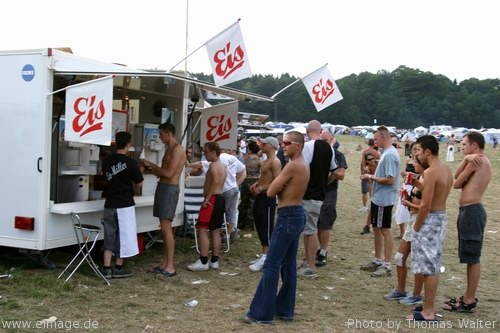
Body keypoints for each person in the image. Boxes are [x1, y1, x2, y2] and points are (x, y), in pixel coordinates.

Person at [240, 131, 309, 324]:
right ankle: (285, 310)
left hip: (288, 216)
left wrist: (271, 187)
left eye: (288, 143)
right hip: (296, 213)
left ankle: (261, 314)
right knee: (288, 265)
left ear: (299, 145)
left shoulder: (292, 166)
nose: (284, 145)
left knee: (271, 264)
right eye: (283, 142)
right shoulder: (302, 165)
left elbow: (270, 191)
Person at [443, 131, 491, 313]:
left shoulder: (477, 161)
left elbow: (456, 184)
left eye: (464, 144)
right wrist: (465, 159)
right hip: (469, 211)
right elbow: (458, 176)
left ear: (475, 145)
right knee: (470, 257)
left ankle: (469, 299)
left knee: (473, 258)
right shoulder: (474, 160)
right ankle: (468, 297)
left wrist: (468, 161)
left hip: (472, 212)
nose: (462, 147)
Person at [406, 135, 453, 321]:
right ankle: (427, 307)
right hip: (440, 218)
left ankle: (429, 311)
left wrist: (416, 227)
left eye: (419, 151)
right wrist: (418, 184)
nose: (418, 156)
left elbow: (425, 205)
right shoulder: (445, 170)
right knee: (430, 266)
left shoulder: (431, 172)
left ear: (428, 151)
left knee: (429, 268)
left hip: (430, 220)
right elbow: (436, 193)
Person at [143, 123, 186, 277]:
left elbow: (168, 173)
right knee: (163, 227)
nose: (159, 137)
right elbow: (163, 174)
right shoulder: (169, 150)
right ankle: (165, 262)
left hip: (169, 189)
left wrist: (152, 165)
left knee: (167, 228)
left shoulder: (177, 149)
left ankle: (170, 266)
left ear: (169, 133)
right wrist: (151, 169)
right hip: (163, 187)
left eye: (161, 134)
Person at [99, 131, 144, 279]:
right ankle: (118, 268)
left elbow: (105, 178)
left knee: (109, 234)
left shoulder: (107, 161)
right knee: (124, 235)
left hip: (110, 202)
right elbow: (139, 183)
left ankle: (106, 268)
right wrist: (135, 192)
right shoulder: (131, 163)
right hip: (125, 203)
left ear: (115, 142)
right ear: (128, 144)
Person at [383, 155, 426, 306]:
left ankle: (416, 294)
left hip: (420, 222)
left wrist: (409, 203)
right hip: (412, 221)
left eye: (415, 162)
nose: (413, 164)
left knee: (418, 261)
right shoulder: (420, 177)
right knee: (399, 257)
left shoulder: (428, 178)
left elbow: (429, 206)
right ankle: (400, 290)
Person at [360, 126, 400, 277]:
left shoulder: (390, 155)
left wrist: (370, 177)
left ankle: (387, 265)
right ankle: (377, 260)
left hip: (384, 199)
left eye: (376, 139)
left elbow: (390, 180)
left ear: (384, 137)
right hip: (378, 197)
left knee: (385, 230)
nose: (374, 142)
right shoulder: (385, 153)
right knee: (377, 228)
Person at [298, 120, 336, 278]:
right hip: (320, 194)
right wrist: (324, 184)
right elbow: (335, 171)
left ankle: (311, 266)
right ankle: (308, 261)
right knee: (309, 230)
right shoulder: (329, 148)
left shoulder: (307, 147)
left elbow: (302, 170)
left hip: (308, 194)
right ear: (320, 131)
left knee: (310, 231)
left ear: (307, 131)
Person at [187, 142, 227, 271]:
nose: (204, 155)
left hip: (212, 199)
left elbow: (215, 181)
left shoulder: (214, 166)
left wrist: (207, 199)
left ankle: (203, 261)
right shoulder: (222, 166)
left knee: (202, 228)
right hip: (219, 198)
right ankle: (214, 261)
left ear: (213, 152)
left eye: (206, 152)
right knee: (215, 230)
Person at [248, 137, 282, 272]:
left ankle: (267, 256)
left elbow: (278, 182)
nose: (261, 144)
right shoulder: (265, 161)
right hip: (261, 197)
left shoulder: (275, 162)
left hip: (268, 198)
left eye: (264, 143)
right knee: (260, 225)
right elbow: (265, 178)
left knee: (267, 227)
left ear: (272, 146)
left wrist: (261, 188)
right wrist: (257, 184)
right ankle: (264, 253)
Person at [316, 131, 347, 267]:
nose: (323, 142)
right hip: (315, 191)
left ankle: (323, 251)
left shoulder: (337, 155)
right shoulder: (314, 152)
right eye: (321, 140)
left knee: (326, 220)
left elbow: (341, 175)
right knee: (316, 221)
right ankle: (319, 248)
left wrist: (332, 173)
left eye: (326, 140)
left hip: (329, 191)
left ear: (332, 140)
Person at [220, 149, 246, 240]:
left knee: (220, 212)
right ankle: (228, 234)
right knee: (232, 211)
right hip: (233, 187)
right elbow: (243, 169)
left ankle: (218, 233)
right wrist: (236, 182)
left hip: (225, 189)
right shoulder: (232, 158)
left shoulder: (216, 159)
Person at [237, 141, 261, 230]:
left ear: (249, 149)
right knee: (252, 204)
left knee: (243, 202)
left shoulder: (244, 158)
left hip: (245, 180)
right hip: (255, 181)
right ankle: (249, 226)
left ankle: (240, 223)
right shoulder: (259, 160)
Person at [359, 139, 380, 214]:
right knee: (373, 192)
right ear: (374, 144)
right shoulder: (377, 153)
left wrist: (362, 173)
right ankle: (372, 207)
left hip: (366, 174)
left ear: (368, 143)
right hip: (374, 175)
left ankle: (365, 207)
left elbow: (362, 163)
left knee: (364, 192)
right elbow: (379, 165)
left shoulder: (365, 152)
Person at [360, 153, 378, 235]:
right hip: (374, 187)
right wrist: (372, 195)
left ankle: (367, 226)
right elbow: (370, 184)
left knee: (373, 208)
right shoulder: (367, 170)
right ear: (367, 161)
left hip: (381, 186)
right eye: (369, 159)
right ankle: (367, 226)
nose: (371, 160)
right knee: (373, 206)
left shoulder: (379, 164)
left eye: (372, 158)